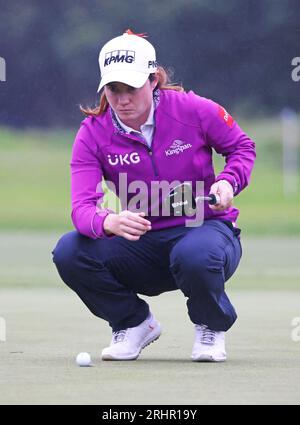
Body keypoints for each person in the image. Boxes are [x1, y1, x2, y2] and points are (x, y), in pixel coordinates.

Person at [51, 29, 256, 362]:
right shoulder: (93, 133)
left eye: (131, 88)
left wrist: (229, 182)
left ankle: (210, 325)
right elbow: (81, 208)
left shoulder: (193, 109)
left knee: (194, 254)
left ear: (153, 80)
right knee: (69, 250)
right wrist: (108, 221)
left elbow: (242, 147)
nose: (122, 100)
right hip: (141, 243)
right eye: (113, 90)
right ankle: (133, 323)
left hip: (204, 231)